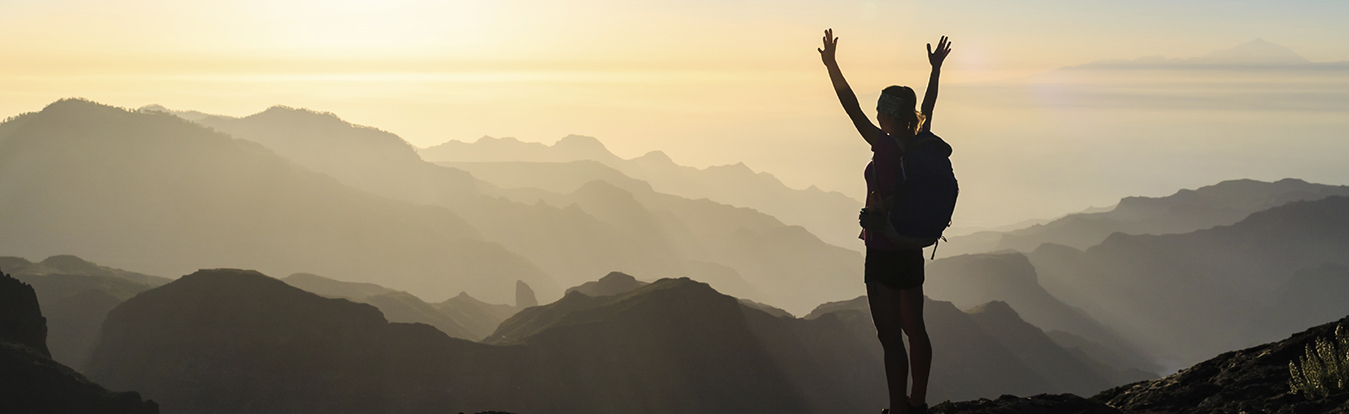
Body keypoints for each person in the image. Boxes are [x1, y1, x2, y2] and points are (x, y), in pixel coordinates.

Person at [818, 28, 951, 414]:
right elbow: (928, 104)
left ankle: (898, 408)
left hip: (881, 249)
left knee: (891, 339)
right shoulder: (918, 139)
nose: (875, 114)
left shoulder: (884, 144)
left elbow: (850, 107)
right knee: (917, 331)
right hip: (910, 248)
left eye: (881, 110)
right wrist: (935, 70)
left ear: (888, 115)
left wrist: (832, 66)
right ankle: (918, 402)